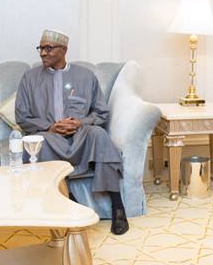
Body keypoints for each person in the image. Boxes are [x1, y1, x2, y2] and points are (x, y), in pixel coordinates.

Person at [15, 29, 129, 235]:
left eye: (48, 48)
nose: (42, 53)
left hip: (81, 134)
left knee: (100, 135)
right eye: (41, 48)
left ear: (64, 50)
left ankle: (117, 206)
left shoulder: (85, 76)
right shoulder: (29, 78)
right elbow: (22, 116)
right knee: (36, 142)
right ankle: (68, 201)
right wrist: (50, 126)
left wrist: (80, 122)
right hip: (49, 135)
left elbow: (101, 112)